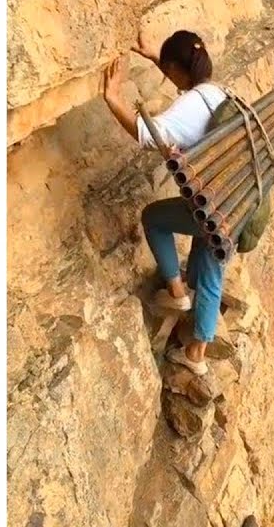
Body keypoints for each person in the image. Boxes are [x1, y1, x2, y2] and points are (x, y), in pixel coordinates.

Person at [102, 29, 227, 376]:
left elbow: (147, 134)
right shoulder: (217, 91)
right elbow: (190, 94)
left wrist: (113, 98)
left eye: (167, 69)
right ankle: (197, 348)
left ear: (176, 68)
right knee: (212, 258)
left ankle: (177, 292)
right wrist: (159, 58)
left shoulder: (187, 104)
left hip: (213, 210)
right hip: (236, 200)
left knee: (153, 218)